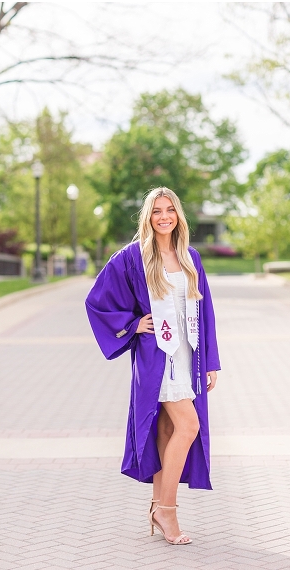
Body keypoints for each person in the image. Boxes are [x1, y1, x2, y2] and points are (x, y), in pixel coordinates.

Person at [86, 187, 220, 545]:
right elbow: (97, 301)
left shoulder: (190, 257)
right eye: (157, 211)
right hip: (158, 357)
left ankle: (158, 507)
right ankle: (167, 512)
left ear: (179, 215)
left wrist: (211, 362)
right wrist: (132, 327)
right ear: (148, 217)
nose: (164, 216)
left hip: (187, 355)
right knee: (188, 425)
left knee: (166, 430)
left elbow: (205, 312)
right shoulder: (133, 258)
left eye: (170, 210)